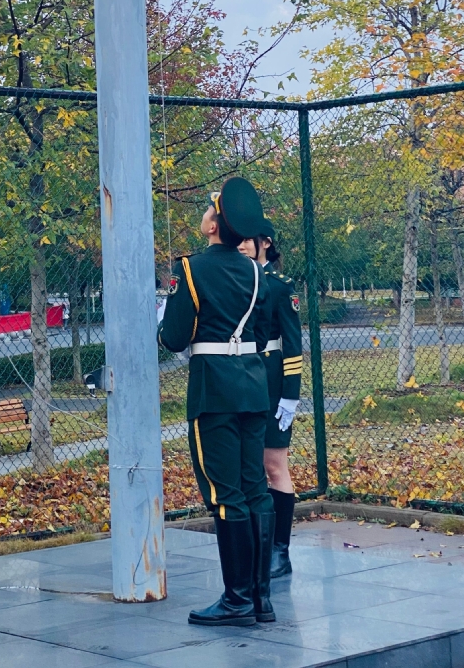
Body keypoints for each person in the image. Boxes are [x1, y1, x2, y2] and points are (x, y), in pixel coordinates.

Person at [158, 177, 275, 627]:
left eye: (210, 210)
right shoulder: (255, 272)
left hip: (215, 391)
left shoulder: (191, 269)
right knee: (255, 488)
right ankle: (261, 599)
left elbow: (174, 338)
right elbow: (258, 333)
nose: (206, 213)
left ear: (213, 227)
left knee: (225, 494)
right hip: (253, 386)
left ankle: (237, 599)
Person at [239, 219, 302, 578]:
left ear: (265, 242)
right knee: (247, 467)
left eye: (248, 239)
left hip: (272, 383)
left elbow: (292, 344)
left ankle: (280, 550)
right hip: (240, 381)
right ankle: (256, 547)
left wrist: (290, 395)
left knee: (274, 465)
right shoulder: (235, 280)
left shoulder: (280, 286)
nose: (241, 244)